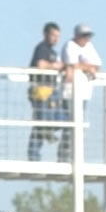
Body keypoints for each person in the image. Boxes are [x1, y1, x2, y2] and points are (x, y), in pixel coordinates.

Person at [60, 23, 102, 161]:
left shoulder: (89, 47)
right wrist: (88, 68)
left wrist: (86, 67)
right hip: (69, 93)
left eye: (88, 36)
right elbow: (71, 64)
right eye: (84, 35)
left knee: (79, 125)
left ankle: (73, 155)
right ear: (77, 35)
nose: (86, 38)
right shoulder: (70, 46)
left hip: (84, 93)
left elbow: (97, 64)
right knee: (70, 125)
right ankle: (64, 157)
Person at [26, 21, 64, 160]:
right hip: (41, 91)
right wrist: (55, 66)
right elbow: (40, 64)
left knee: (60, 119)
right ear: (45, 34)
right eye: (53, 35)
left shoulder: (53, 52)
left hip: (51, 91)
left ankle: (46, 132)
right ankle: (34, 155)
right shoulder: (42, 48)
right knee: (41, 124)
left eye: (58, 36)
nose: (56, 39)